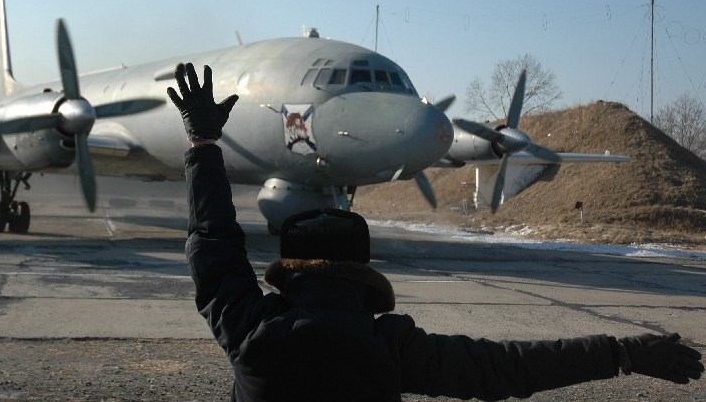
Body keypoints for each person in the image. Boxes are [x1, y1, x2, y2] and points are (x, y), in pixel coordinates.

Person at [167, 62, 703, 401]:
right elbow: (511, 368)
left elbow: (212, 243)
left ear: (290, 268)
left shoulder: (252, 330)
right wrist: (622, 353)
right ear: (363, 270)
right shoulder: (391, 347)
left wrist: (204, 146)